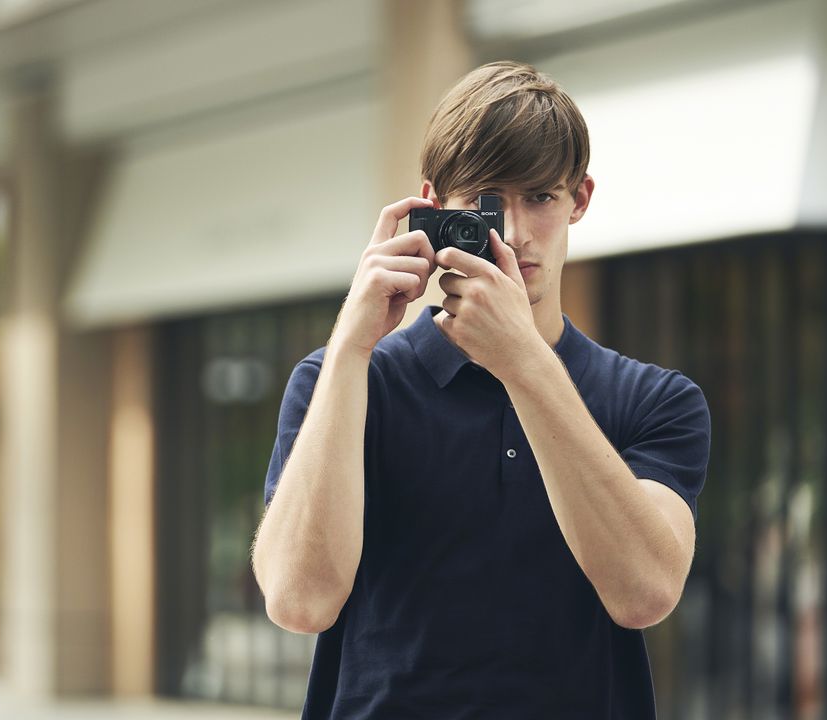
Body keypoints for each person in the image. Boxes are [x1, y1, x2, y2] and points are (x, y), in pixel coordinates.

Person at [251, 60, 711, 718]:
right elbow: (299, 602)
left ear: (580, 198)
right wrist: (352, 345)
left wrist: (523, 359)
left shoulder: (653, 400)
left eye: (542, 198)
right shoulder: (346, 380)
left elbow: (645, 593)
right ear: (435, 208)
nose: (517, 233)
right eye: (488, 201)